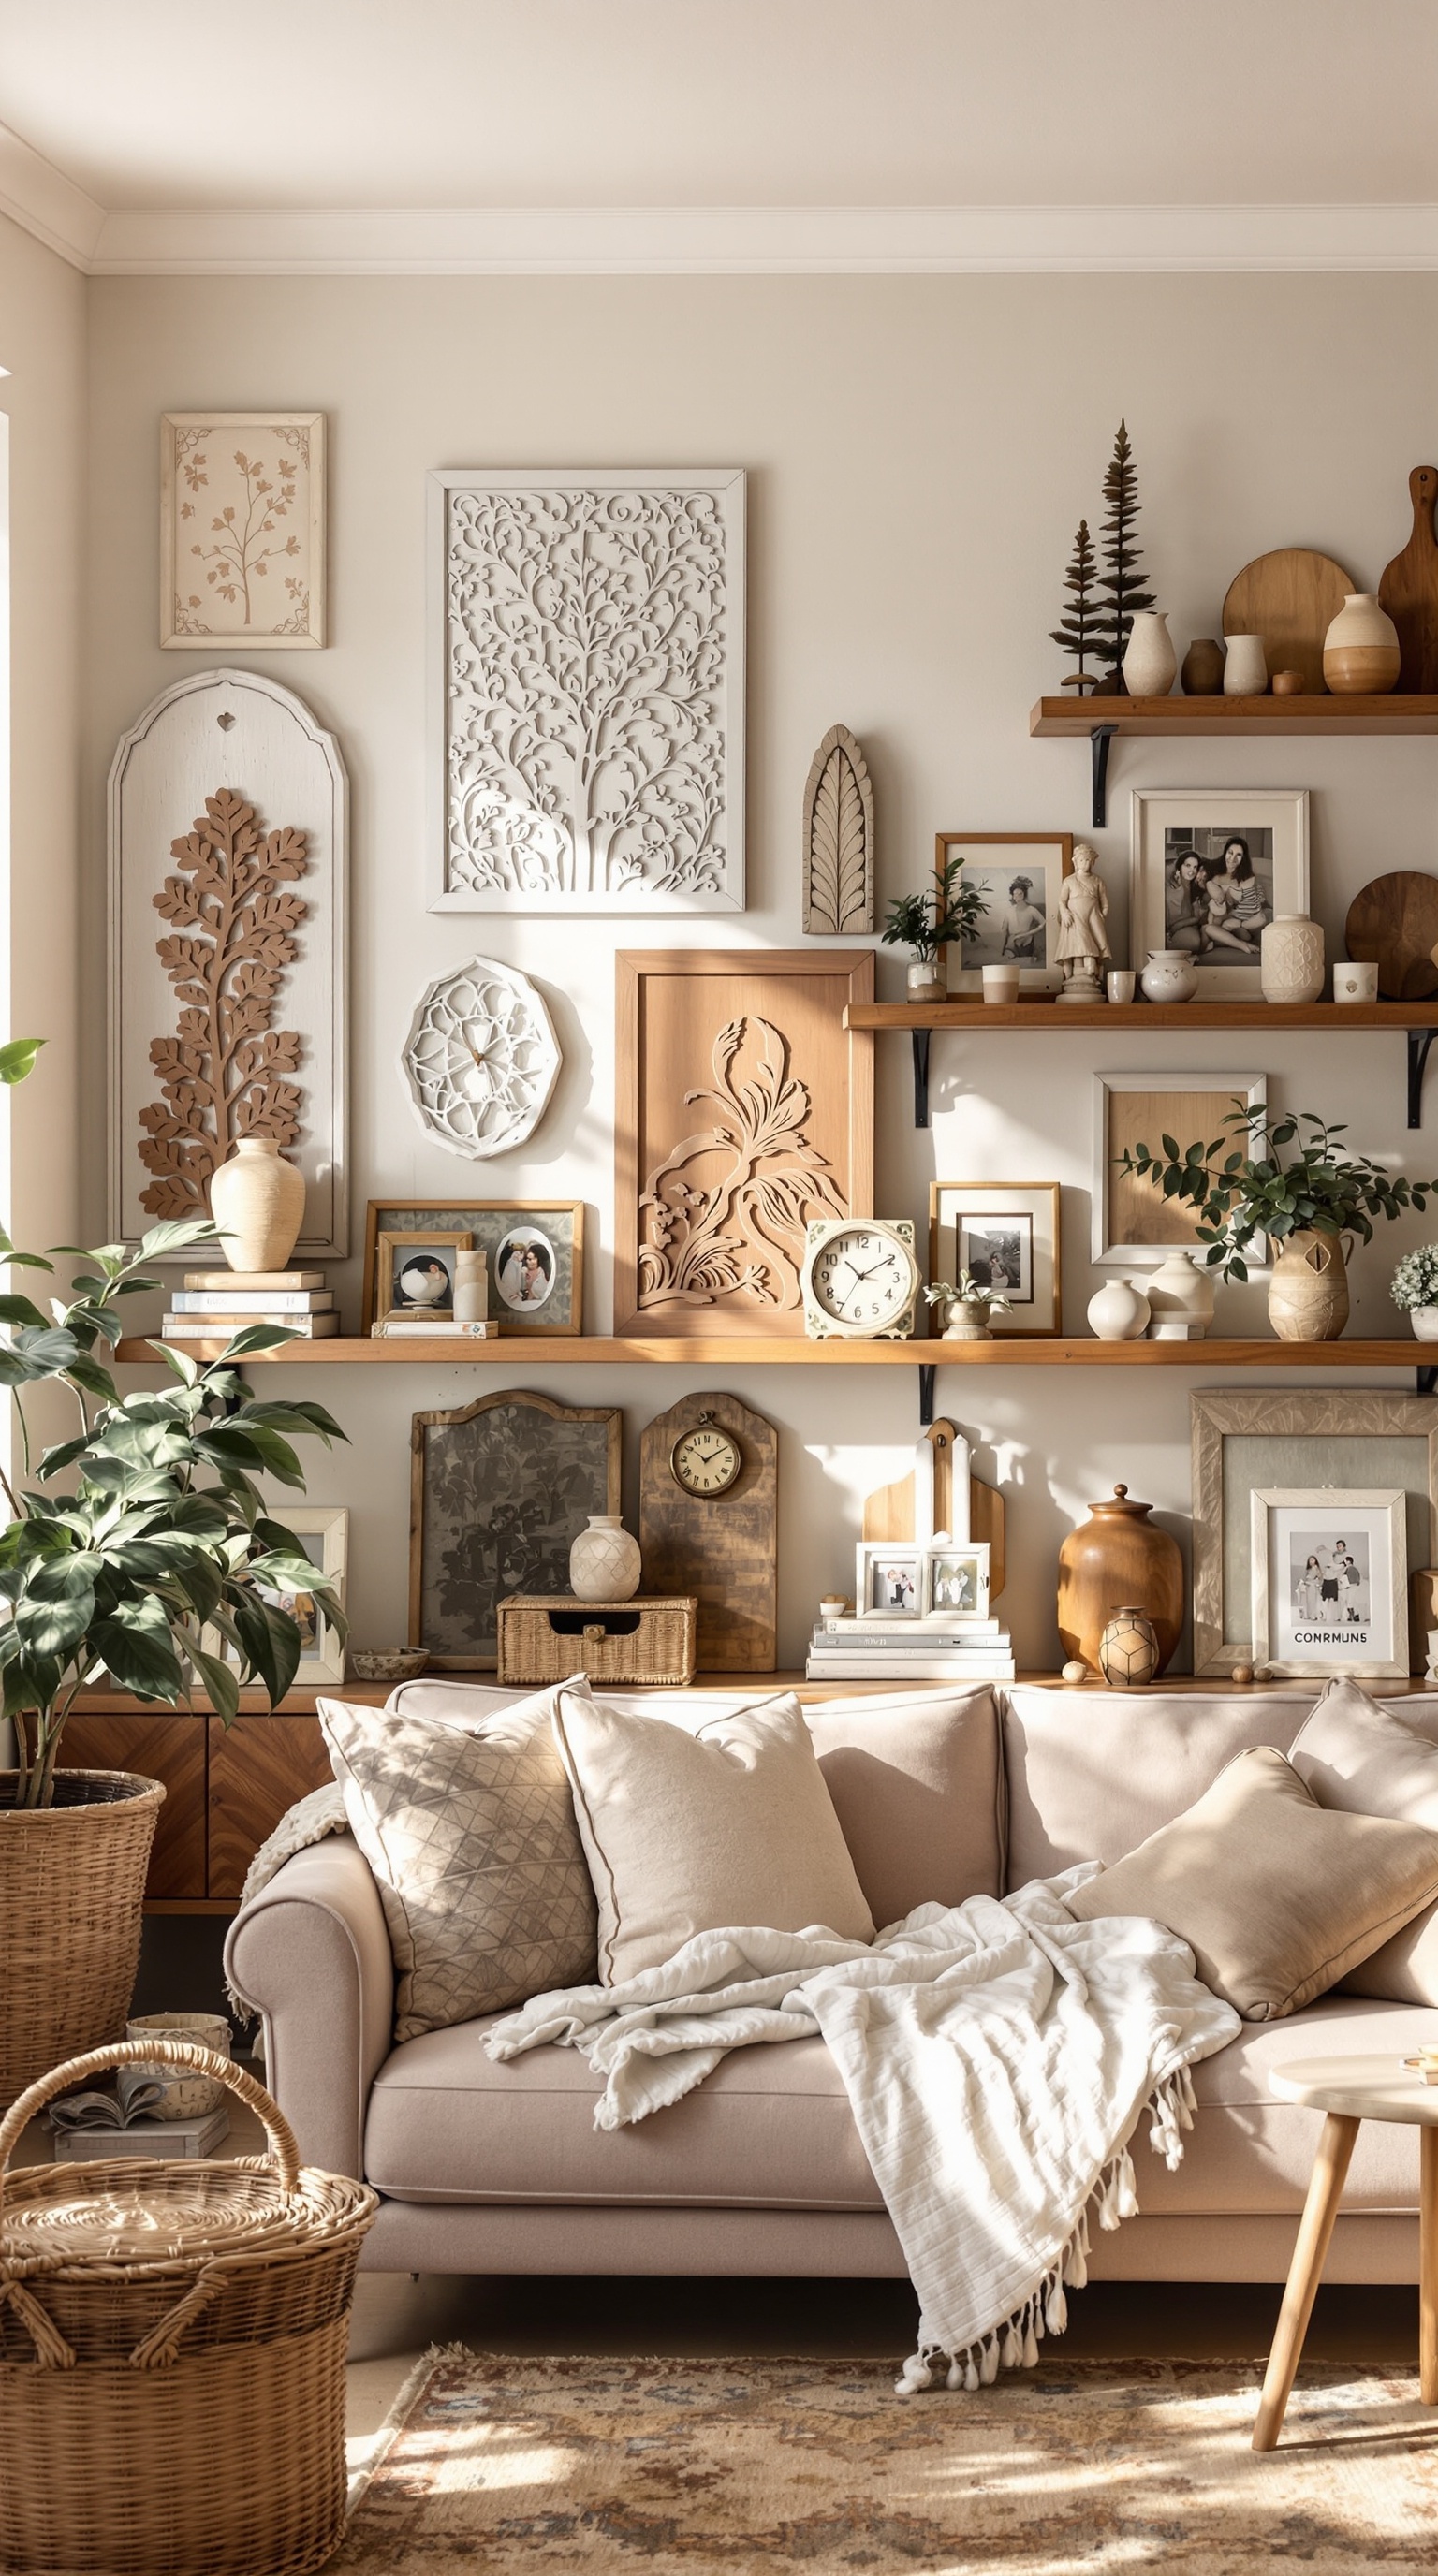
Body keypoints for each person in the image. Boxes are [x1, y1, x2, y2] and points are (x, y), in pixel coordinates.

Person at [1053, 840, 1110, 990]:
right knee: (1075, 946)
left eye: (1089, 860)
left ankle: (1093, 973)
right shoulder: (1069, 881)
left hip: (1092, 917)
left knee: (1096, 943)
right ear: (1076, 862)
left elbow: (1105, 903)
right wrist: (1065, 913)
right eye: (1083, 860)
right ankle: (1072, 975)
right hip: (1074, 918)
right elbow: (1061, 901)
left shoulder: (1098, 881)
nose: (1086, 863)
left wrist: (1101, 916)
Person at [1200, 835, 1269, 954]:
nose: (1232, 859)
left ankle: (1240, 942)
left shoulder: (1246, 879)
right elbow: (1206, 898)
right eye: (1230, 853)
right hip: (1219, 924)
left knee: (1209, 930)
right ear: (1225, 853)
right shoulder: (1214, 873)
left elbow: (1253, 903)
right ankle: (1243, 945)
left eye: (1239, 855)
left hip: (1235, 924)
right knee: (1208, 928)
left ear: (1244, 858)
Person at [1165, 847, 1208, 952]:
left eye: (1195, 867)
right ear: (1180, 866)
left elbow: (1196, 917)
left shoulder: (1196, 886)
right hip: (1167, 925)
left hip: (1185, 926)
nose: (1191, 871)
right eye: (1188, 865)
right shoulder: (1169, 885)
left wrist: (1177, 926)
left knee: (1193, 943)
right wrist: (1179, 889)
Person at [1000, 875, 1047, 964]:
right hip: (1012, 942)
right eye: (1015, 894)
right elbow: (1004, 930)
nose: (1017, 896)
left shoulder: (1031, 910)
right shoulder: (1009, 911)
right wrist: (1002, 946)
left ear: (1024, 894)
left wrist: (1027, 934)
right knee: (1008, 961)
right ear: (1012, 896)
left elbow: (1043, 923)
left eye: (1020, 894)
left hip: (1026, 941)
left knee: (1028, 962)